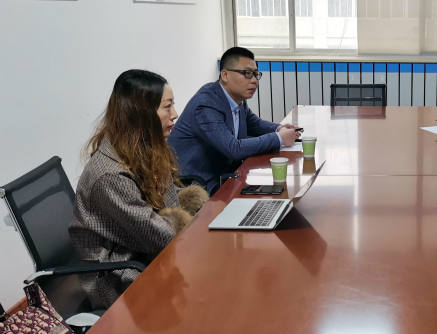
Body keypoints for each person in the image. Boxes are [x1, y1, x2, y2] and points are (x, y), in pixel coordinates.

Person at [70, 70, 209, 309]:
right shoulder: (110, 175)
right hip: (118, 276)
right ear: (142, 113)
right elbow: (161, 237)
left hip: (141, 254)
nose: (175, 114)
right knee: (208, 286)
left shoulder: (143, 148)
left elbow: (167, 208)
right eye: (167, 107)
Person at [168, 47, 301, 193]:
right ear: (225, 75)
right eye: (247, 74)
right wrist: (279, 138)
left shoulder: (235, 99)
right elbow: (233, 148)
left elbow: (254, 124)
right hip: (197, 184)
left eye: (255, 74)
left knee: (277, 190)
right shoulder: (206, 104)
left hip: (224, 173)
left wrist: (279, 128)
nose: (254, 81)